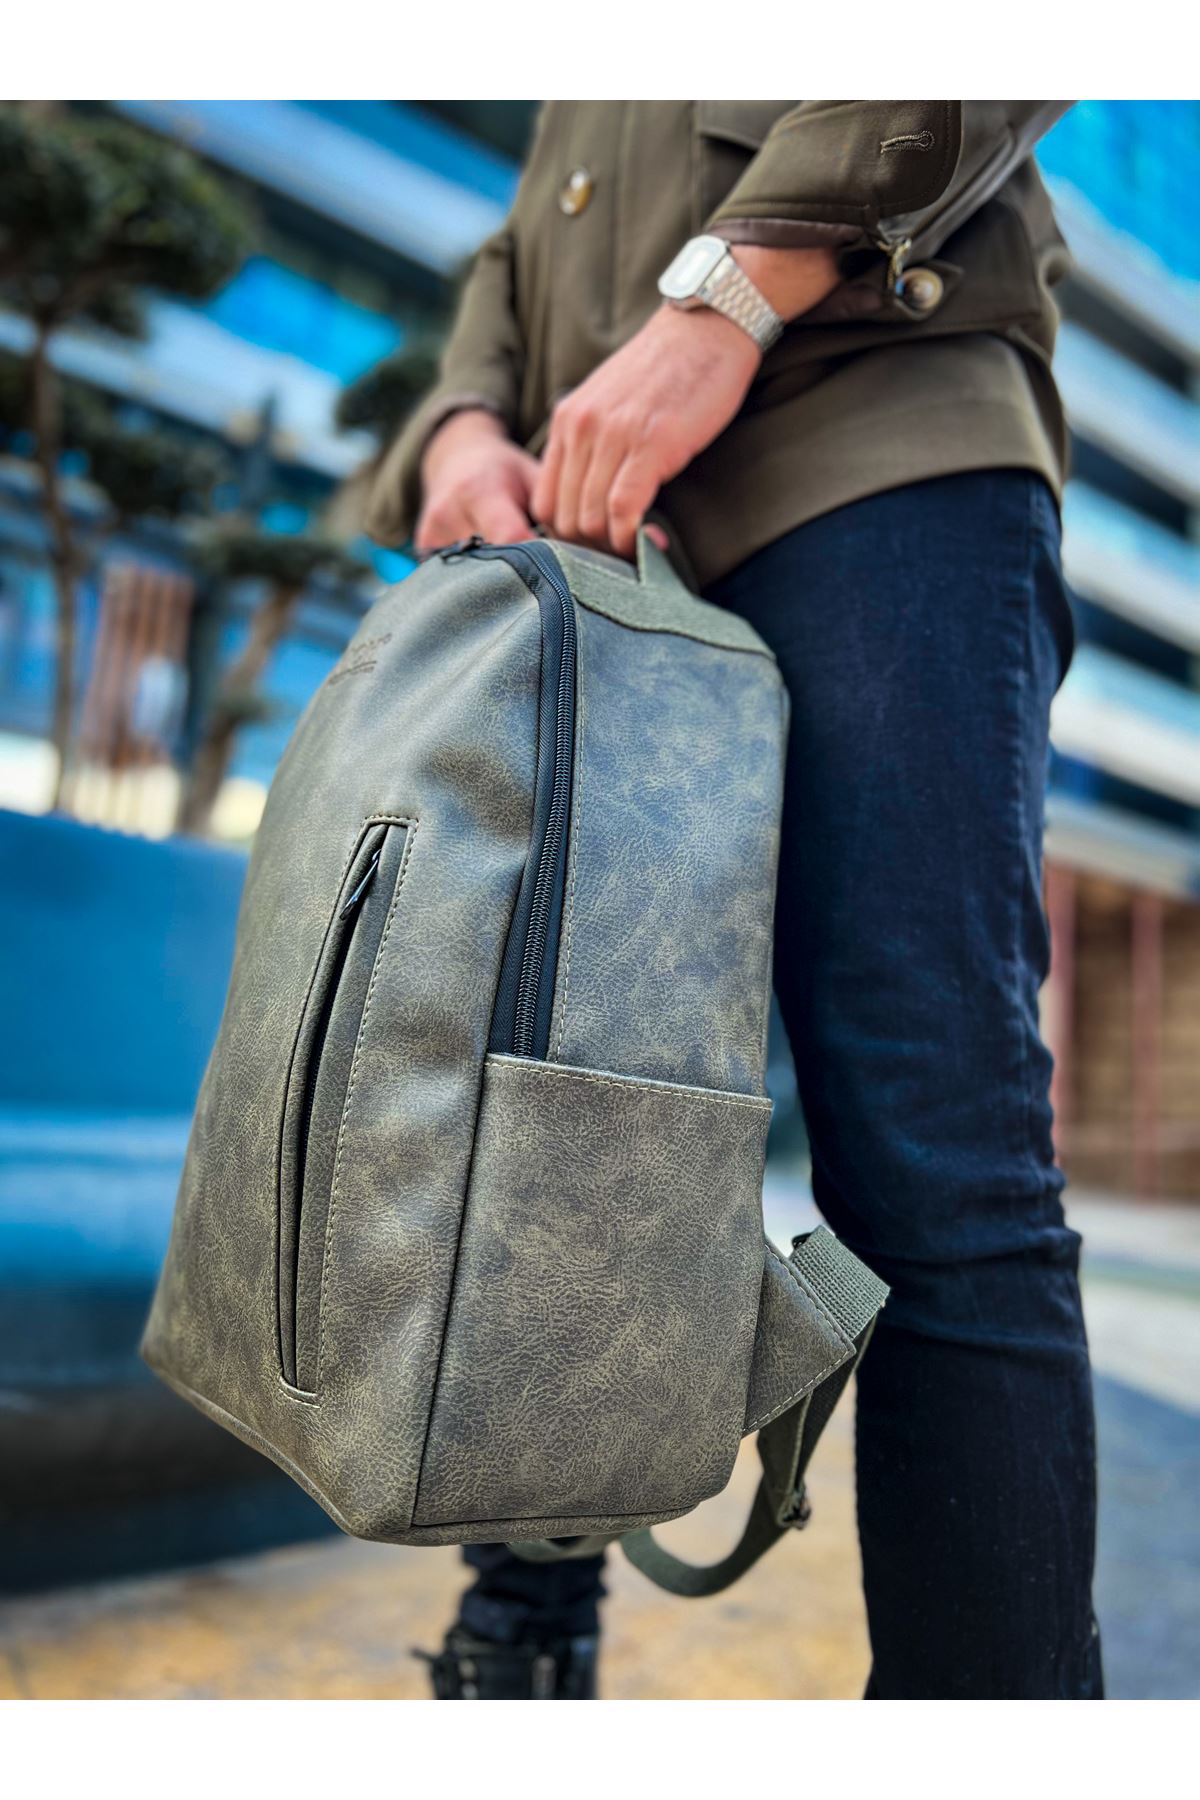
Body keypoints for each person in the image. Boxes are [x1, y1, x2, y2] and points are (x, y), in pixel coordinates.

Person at [368, 101, 1103, 1701]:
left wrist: (732, 293)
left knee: (933, 1157)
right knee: (547, 1119)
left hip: (870, 443)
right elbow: (519, 234)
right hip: (597, 529)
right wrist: (463, 423)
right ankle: (521, 1651)